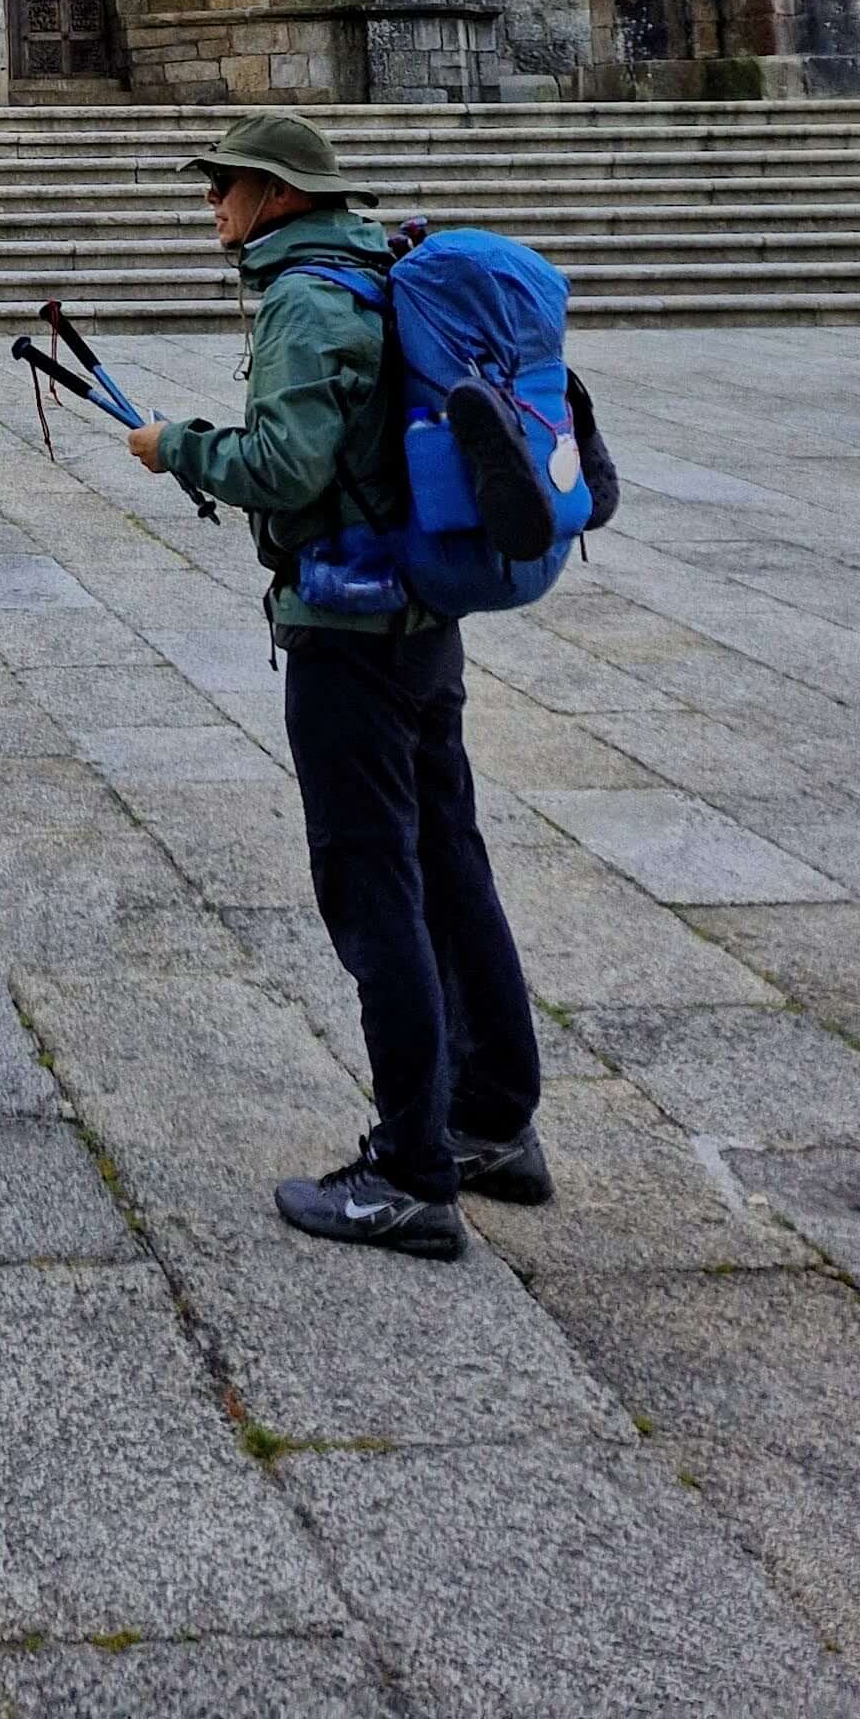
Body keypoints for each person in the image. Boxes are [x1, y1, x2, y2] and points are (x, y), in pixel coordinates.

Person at [126, 109, 549, 1260]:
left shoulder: (307, 298)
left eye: (224, 184)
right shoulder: (381, 267)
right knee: (449, 859)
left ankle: (412, 1170)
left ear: (275, 194)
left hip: (347, 629)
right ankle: (496, 1119)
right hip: (422, 618)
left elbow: (285, 467)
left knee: (375, 890)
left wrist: (180, 447)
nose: (211, 201)